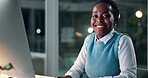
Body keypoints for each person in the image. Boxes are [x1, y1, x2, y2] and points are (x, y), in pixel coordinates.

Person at [56, 0, 137, 78]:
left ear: (115, 19)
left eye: (105, 16)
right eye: (95, 16)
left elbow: (129, 75)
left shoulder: (122, 40)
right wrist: (69, 76)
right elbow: (78, 68)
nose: (99, 20)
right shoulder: (89, 39)